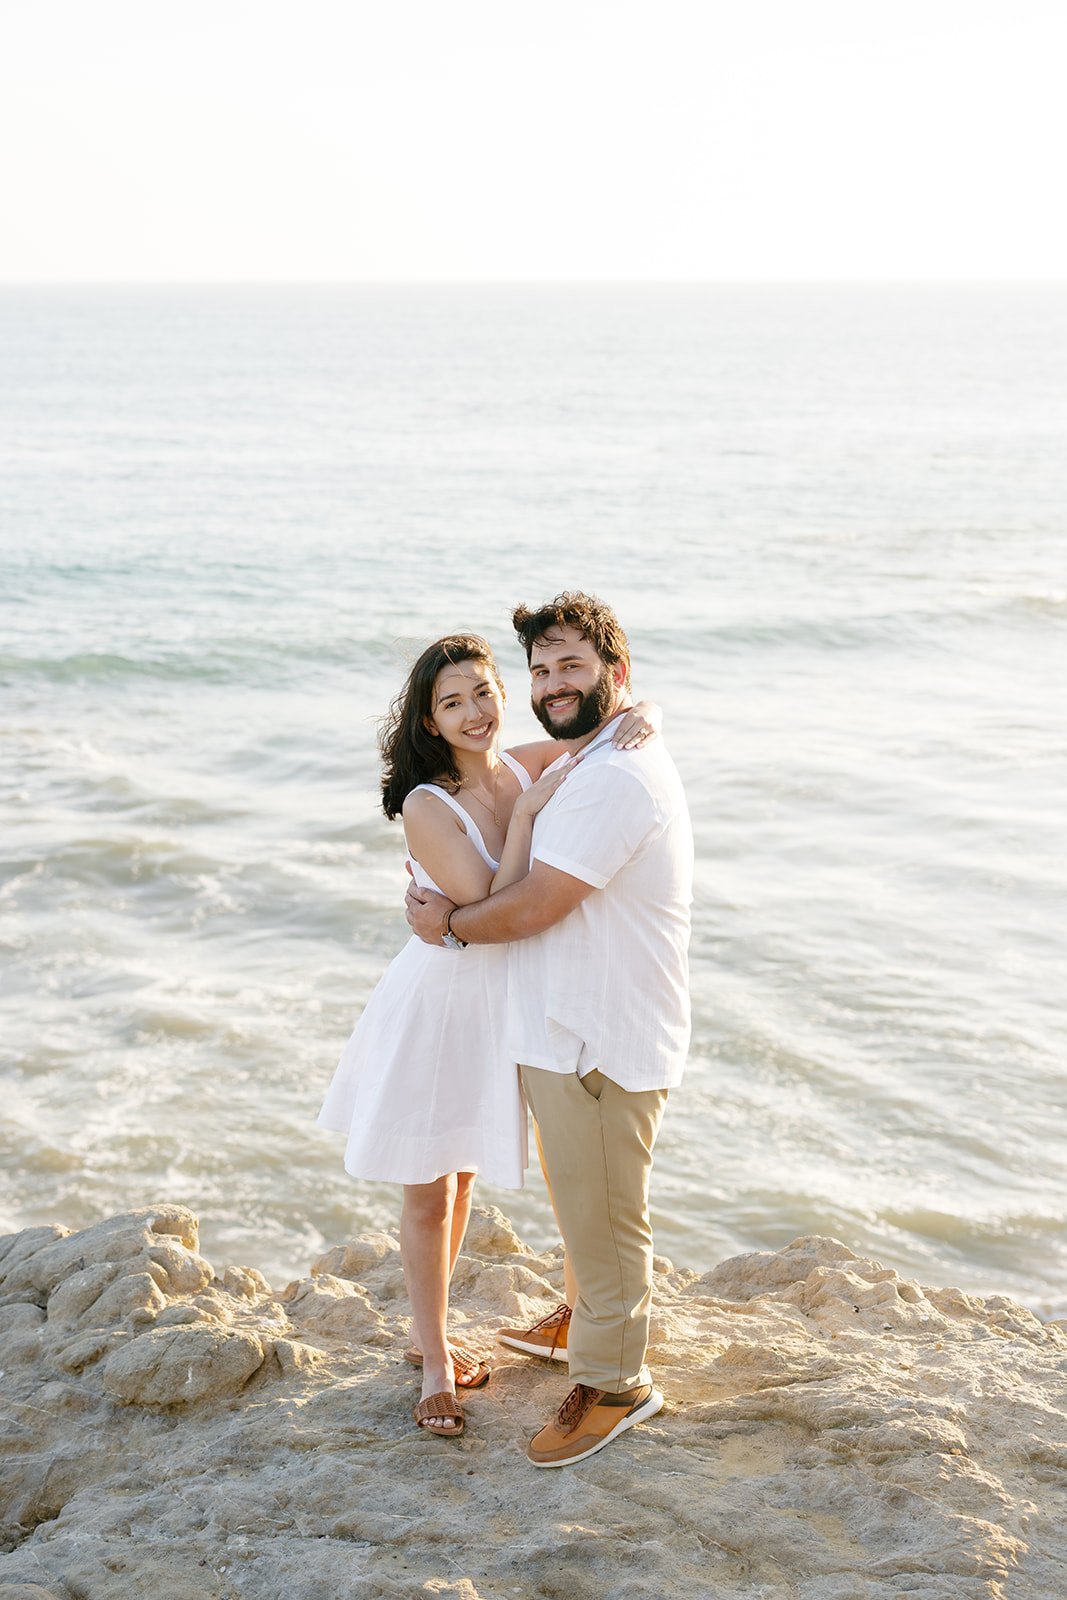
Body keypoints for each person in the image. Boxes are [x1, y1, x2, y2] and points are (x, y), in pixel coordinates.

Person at [317, 633, 658, 1440]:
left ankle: (427, 1334)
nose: (473, 712)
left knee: (463, 1177)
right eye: (451, 702)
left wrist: (644, 708)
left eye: (482, 692)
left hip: (499, 1010)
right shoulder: (428, 806)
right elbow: (482, 911)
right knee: (430, 1191)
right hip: (440, 1009)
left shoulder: (517, 764)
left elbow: (606, 723)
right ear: (430, 722)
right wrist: (531, 817)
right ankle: (434, 1361)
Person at [405, 592, 693, 1467]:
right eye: (540, 668)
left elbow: (531, 906)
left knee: (605, 1213)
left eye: (573, 664)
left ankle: (612, 1385)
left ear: (616, 671)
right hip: (568, 1026)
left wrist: (449, 926)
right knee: (584, 1198)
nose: (551, 682)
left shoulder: (611, 773)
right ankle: (586, 1321)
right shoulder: (589, 751)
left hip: (596, 1036)